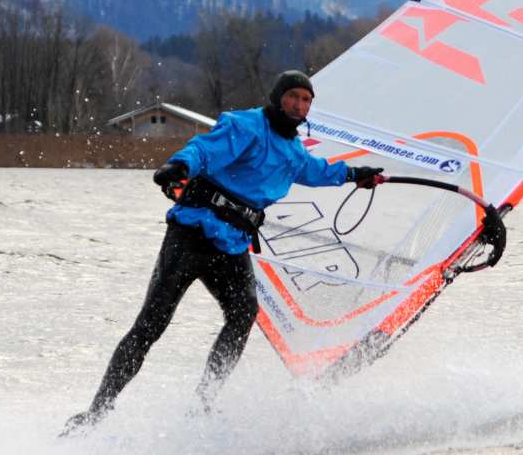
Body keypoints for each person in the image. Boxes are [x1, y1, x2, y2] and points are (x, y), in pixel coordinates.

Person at [62, 71, 382, 435]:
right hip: (193, 232)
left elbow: (318, 172)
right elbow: (204, 149)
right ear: (278, 98)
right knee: (151, 325)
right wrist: (180, 165)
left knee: (244, 311)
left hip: (231, 245)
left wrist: (357, 174)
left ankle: (202, 405)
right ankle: (95, 413)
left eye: (307, 100)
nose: (300, 105)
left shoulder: (294, 152)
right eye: (293, 96)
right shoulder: (246, 126)